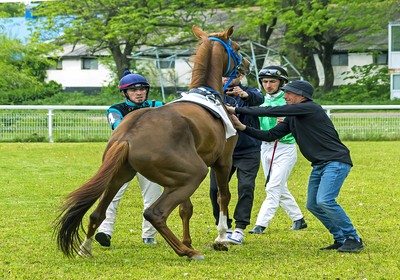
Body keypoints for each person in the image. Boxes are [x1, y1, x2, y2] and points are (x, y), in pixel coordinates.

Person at [227, 80, 364, 252]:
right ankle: (340, 238)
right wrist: (242, 127)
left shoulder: (310, 107)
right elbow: (270, 135)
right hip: (319, 165)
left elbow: (271, 111)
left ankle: (353, 238)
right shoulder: (293, 117)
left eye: (289, 93)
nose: (285, 96)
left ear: (302, 96)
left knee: (325, 200)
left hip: (335, 162)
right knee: (313, 205)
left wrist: (235, 109)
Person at [95, 71, 163, 246]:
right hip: (122, 157)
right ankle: (104, 231)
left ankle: (149, 235)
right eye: (133, 90)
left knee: (153, 196)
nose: (139, 92)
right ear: (124, 93)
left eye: (142, 89)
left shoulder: (158, 105)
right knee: (111, 194)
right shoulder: (115, 109)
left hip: (150, 157)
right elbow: (119, 127)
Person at [248, 66, 307, 234]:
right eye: (265, 81)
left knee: (272, 187)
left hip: (285, 148)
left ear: (282, 83)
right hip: (264, 147)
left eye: (272, 81)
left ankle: (260, 224)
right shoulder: (260, 100)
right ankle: (298, 219)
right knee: (279, 187)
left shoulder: (289, 101)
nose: (268, 85)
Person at [209, 74, 264, 245]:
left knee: (246, 187)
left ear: (240, 75)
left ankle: (240, 228)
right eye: (223, 75)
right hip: (222, 150)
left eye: (230, 75)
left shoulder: (250, 92)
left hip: (248, 149)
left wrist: (245, 96)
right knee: (214, 189)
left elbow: (258, 99)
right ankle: (223, 223)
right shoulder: (215, 95)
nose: (225, 78)